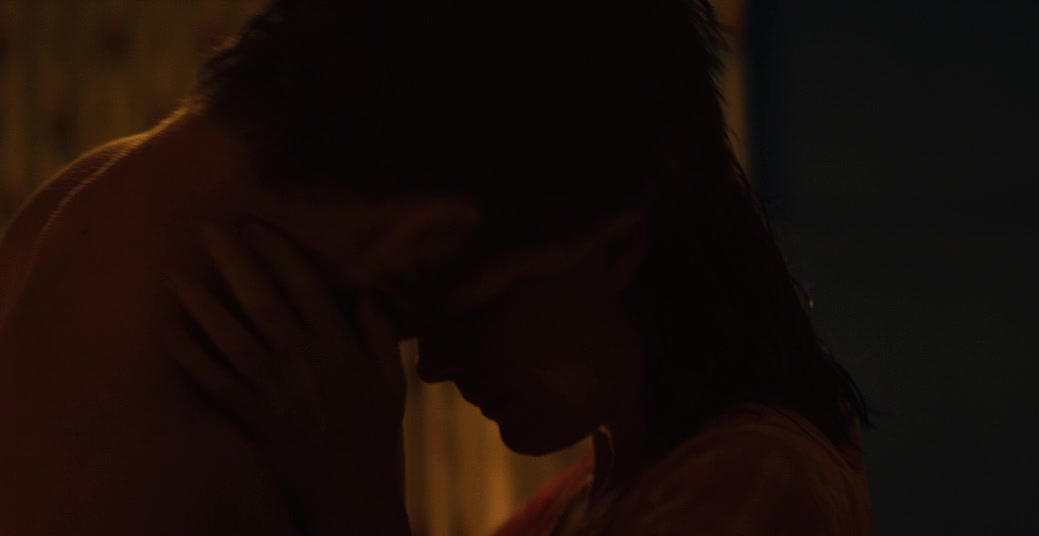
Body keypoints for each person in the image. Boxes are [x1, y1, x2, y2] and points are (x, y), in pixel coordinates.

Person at [0, 1, 873, 535]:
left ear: (613, 254)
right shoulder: (586, 499)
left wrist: (356, 499)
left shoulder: (755, 478)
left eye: (463, 310)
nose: (434, 365)